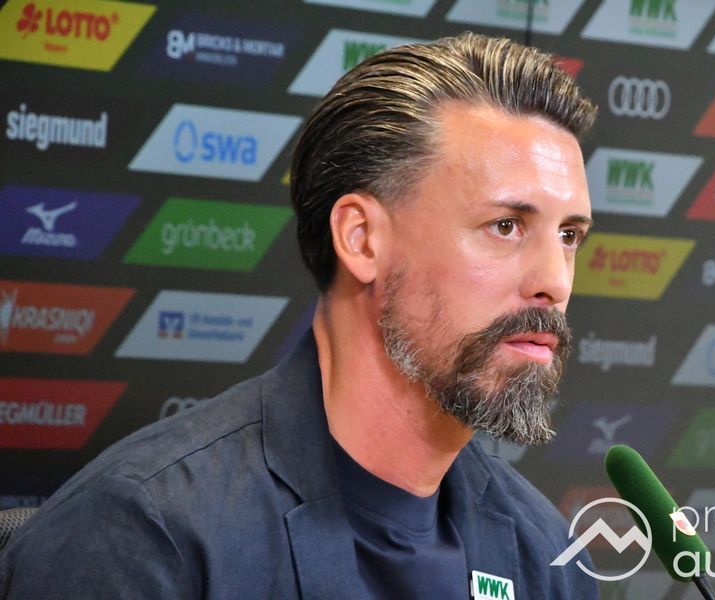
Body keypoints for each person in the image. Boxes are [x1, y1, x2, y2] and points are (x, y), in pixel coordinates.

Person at [0, 32, 599, 598]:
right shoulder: (147, 531)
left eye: (569, 235)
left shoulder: (547, 551)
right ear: (361, 239)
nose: (554, 281)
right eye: (505, 226)